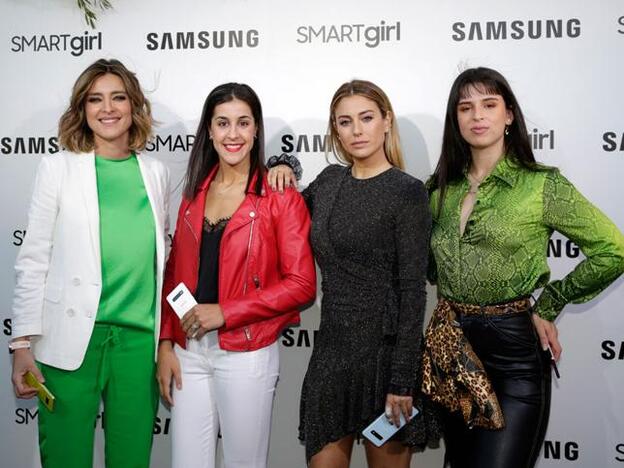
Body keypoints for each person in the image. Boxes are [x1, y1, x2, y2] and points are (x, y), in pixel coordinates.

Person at [425, 66, 624, 468]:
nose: (477, 115)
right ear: (455, 119)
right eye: (465, 108)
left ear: (509, 115)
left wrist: (550, 303)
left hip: (513, 352)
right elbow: (431, 268)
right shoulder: (439, 188)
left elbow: (613, 249)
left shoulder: (541, 185)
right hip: (452, 348)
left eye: (489, 104)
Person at [269, 79, 439, 468]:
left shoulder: (407, 192)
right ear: (335, 130)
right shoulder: (329, 183)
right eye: (345, 122)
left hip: (385, 358)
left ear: (386, 121)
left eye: (366, 118)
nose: (357, 130)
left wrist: (402, 380)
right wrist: (283, 164)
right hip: (331, 357)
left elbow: (414, 292)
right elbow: (288, 211)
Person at [10, 58, 170, 468]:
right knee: (65, 458)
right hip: (68, 341)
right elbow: (33, 259)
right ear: (82, 109)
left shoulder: (156, 173)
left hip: (138, 345)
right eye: (95, 99)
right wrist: (21, 344)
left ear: (134, 106)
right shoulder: (57, 168)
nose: (108, 108)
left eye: (118, 97)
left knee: (132, 459)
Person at [156, 82, 316, 468]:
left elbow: (302, 285)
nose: (233, 134)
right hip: (189, 350)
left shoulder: (279, 195)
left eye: (243, 123)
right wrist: (165, 343)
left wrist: (225, 311)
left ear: (256, 129)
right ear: (208, 131)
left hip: (247, 351)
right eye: (223, 123)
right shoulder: (194, 194)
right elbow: (174, 274)